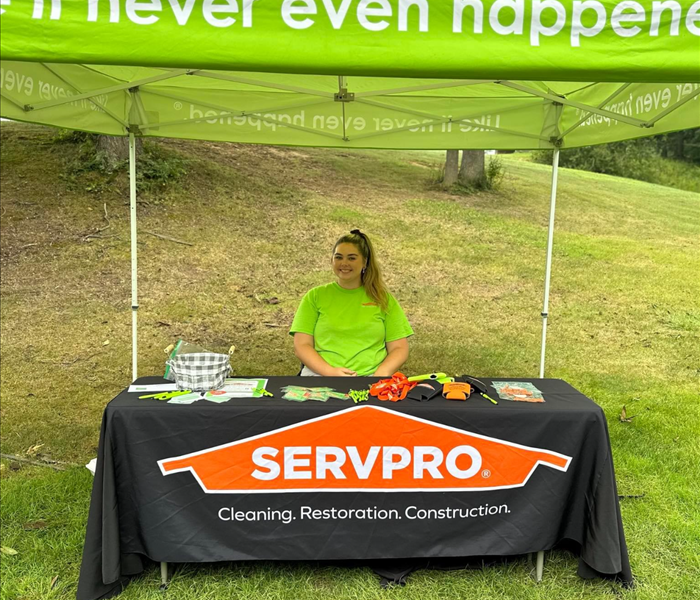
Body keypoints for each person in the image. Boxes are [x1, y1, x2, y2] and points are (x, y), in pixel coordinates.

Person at [290, 230, 413, 377]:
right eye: (339, 257)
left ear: (365, 262)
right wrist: (330, 372)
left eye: (352, 258)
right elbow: (302, 346)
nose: (344, 263)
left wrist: (380, 375)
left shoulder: (383, 299)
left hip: (372, 377)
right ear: (332, 260)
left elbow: (399, 348)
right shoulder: (314, 297)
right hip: (320, 376)